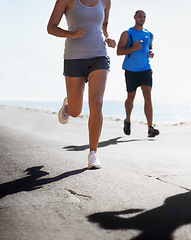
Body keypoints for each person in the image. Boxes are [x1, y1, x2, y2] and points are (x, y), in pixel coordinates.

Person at [47, 0, 116, 169]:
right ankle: (67, 108)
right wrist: (71, 34)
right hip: (74, 58)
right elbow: (51, 27)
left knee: (96, 102)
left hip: (99, 55)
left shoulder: (105, 1)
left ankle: (93, 153)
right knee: (76, 111)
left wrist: (107, 36)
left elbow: (104, 23)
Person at [116, 10, 159, 138]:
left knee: (148, 95)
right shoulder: (127, 33)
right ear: (134, 17)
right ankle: (128, 120)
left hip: (145, 69)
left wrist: (150, 53)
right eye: (140, 16)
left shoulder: (149, 34)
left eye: (144, 16)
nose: (142, 18)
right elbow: (119, 51)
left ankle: (150, 127)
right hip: (131, 70)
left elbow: (149, 47)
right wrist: (133, 48)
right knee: (131, 97)